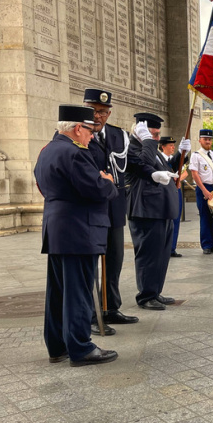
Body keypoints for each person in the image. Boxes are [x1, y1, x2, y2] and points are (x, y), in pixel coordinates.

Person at [34, 104, 119, 366]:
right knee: (79, 293)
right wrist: (108, 181)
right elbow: (96, 190)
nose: (93, 136)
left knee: (58, 292)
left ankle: (58, 346)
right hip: (80, 230)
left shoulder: (47, 150)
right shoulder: (74, 153)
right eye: (90, 130)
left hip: (58, 229)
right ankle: (81, 348)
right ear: (78, 128)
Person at [83, 88, 135, 335]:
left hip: (114, 206)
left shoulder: (118, 135)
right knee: (91, 262)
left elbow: (134, 162)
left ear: (109, 113)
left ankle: (111, 307)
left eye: (102, 112)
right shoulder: (76, 131)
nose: (98, 116)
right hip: (91, 207)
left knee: (114, 259)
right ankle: (92, 314)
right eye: (93, 110)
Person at [126, 113, 189, 311]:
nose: (155, 139)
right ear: (139, 131)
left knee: (161, 255)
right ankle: (145, 296)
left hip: (161, 210)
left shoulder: (151, 148)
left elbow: (166, 167)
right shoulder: (132, 147)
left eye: (157, 135)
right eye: (152, 134)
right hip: (145, 210)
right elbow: (144, 164)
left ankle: (155, 292)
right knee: (148, 256)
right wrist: (146, 141)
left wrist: (180, 153)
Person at [189, 129, 213, 255]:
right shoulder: (196, 155)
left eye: (210, 139)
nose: (208, 141)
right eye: (205, 139)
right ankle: (206, 244)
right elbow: (195, 174)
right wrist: (204, 190)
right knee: (205, 217)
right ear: (200, 140)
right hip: (204, 188)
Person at [159, 136, 189, 258]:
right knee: (164, 219)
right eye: (170, 145)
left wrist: (178, 179)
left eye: (173, 145)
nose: (173, 147)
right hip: (164, 192)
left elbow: (185, 172)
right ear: (163, 146)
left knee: (176, 218)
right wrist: (173, 178)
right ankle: (162, 247)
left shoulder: (178, 159)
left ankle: (172, 248)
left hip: (176, 190)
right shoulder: (159, 158)